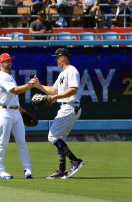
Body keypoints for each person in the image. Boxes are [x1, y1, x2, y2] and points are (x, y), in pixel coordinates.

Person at [31, 48, 85, 179]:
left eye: (57, 57)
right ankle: (62, 170)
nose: (56, 60)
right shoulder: (63, 73)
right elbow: (54, 91)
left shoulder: (72, 71)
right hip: (66, 107)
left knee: (52, 136)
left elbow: (73, 90)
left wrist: (54, 98)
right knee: (59, 138)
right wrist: (38, 86)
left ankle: (75, 161)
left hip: (70, 106)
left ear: (63, 57)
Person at [0, 52, 34, 180]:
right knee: (2, 142)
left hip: (15, 112)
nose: (10, 62)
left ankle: (27, 168)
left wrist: (22, 111)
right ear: (1, 63)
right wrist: (29, 85)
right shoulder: (2, 77)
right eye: (7, 61)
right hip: (4, 113)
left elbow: (12, 98)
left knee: (22, 142)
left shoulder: (9, 76)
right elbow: (14, 90)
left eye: (10, 60)